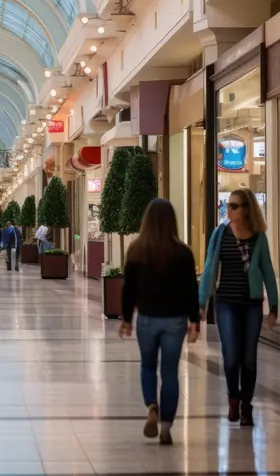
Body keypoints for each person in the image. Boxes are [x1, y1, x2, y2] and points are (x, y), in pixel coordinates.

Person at [119, 198, 200, 445]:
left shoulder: (137, 250)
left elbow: (128, 289)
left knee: (147, 366)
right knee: (170, 373)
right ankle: (166, 428)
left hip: (146, 319)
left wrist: (126, 318)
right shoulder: (183, 253)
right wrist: (194, 320)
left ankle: (152, 406)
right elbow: (190, 290)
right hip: (175, 321)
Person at [199, 188, 278, 426]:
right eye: (229, 205)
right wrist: (201, 303)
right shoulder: (220, 233)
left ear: (247, 209)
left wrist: (274, 306)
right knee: (231, 356)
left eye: (234, 206)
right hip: (226, 304)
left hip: (252, 305)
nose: (229, 209)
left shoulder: (259, 237)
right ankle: (234, 398)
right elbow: (210, 268)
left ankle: (247, 405)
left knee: (249, 358)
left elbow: (268, 272)